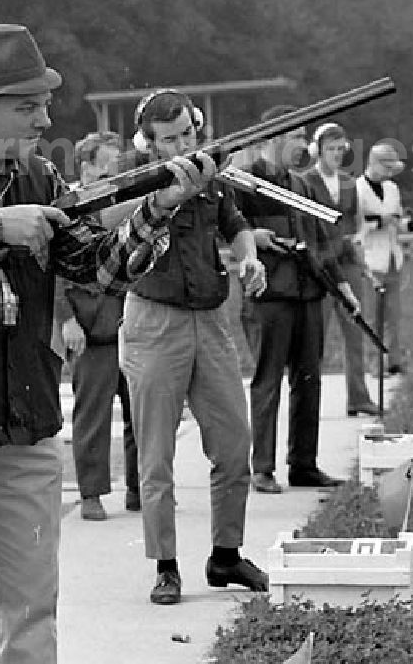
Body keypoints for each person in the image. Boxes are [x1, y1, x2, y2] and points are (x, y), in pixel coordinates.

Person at [0, 24, 215, 664]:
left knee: (32, 610)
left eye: (43, 102)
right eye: (27, 105)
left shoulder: (39, 175)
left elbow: (99, 268)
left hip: (23, 420)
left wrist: (158, 211)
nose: (46, 115)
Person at [119, 88, 269, 606]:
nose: (183, 145)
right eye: (169, 139)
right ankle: (165, 566)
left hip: (211, 319)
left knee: (234, 441)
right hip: (154, 323)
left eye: (188, 133)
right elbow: (116, 236)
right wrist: (167, 195)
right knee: (156, 454)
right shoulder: (130, 179)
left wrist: (249, 258)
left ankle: (226, 555)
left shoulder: (210, 177)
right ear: (147, 142)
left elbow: (237, 225)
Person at [234, 107, 359, 495]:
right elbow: (225, 228)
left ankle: (303, 464)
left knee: (309, 380)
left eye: (305, 137)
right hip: (269, 295)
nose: (303, 146)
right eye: (296, 137)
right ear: (272, 138)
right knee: (268, 380)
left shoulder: (302, 186)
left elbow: (321, 240)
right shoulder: (244, 182)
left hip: (308, 292)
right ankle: (262, 467)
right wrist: (252, 236)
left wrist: (342, 285)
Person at [60, 130, 140, 521]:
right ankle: (91, 493)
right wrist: (66, 319)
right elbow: (50, 268)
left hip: (129, 321)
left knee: (140, 410)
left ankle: (140, 491)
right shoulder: (67, 208)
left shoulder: (124, 205)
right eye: (107, 166)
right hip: (89, 327)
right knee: (92, 413)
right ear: (87, 168)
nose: (114, 174)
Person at [306, 122, 379, 417]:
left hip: (347, 262)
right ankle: (310, 402)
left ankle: (358, 398)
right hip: (321, 265)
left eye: (340, 149)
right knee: (316, 337)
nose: (336, 154)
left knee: (356, 330)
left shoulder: (350, 182)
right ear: (318, 150)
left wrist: (358, 239)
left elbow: (358, 222)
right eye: (330, 149)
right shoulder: (305, 181)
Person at [354, 140, 412, 375]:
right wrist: (379, 222)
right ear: (374, 163)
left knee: (393, 316)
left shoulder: (392, 189)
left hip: (392, 259)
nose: (389, 173)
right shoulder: (357, 189)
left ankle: (394, 360)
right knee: (372, 317)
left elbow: (397, 220)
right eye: (386, 168)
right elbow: (357, 226)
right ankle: (374, 364)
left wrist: (409, 224)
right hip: (369, 259)